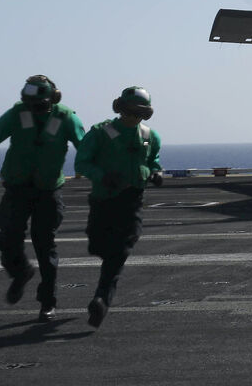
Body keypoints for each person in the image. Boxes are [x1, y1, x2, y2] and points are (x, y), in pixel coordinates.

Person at [0, 75, 86, 322]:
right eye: (31, 104)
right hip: (17, 190)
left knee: (45, 246)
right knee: (8, 240)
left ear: (53, 99)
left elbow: (86, 148)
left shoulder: (65, 118)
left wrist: (100, 174)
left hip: (47, 191)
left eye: (40, 104)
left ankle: (47, 302)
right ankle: (21, 272)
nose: (35, 109)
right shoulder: (16, 115)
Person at [75, 86, 163, 328]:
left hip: (131, 201)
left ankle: (101, 299)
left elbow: (153, 160)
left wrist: (155, 173)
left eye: (139, 113)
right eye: (129, 111)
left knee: (120, 250)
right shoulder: (101, 133)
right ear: (120, 109)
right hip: (104, 200)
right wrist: (102, 176)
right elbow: (82, 162)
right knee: (98, 245)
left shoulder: (149, 136)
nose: (133, 117)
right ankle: (102, 295)